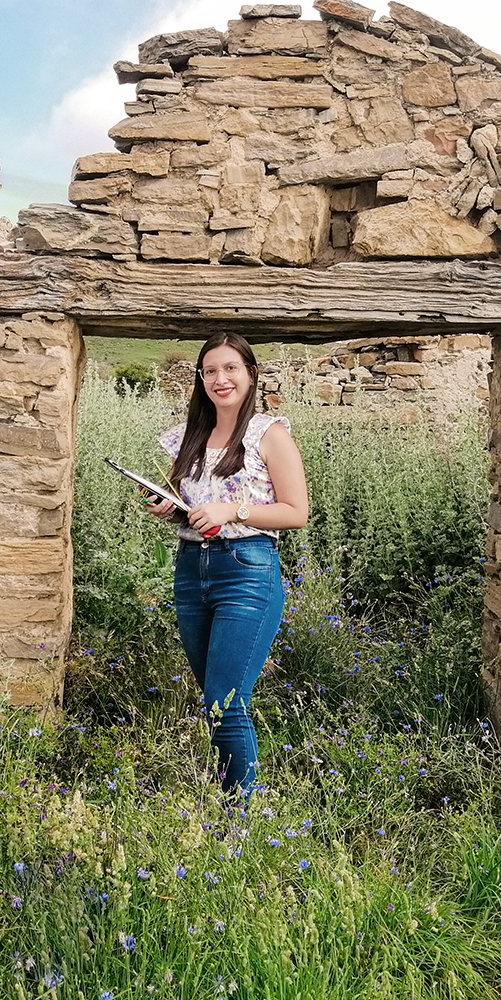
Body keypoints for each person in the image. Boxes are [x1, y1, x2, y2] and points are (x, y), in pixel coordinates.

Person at [141, 331, 308, 799]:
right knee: (214, 701)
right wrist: (171, 509)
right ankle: (230, 800)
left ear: (250, 374)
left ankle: (238, 820)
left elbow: (296, 512)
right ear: (201, 378)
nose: (221, 379)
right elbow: (195, 511)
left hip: (247, 569)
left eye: (231, 368)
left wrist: (231, 511)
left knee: (225, 701)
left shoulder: (268, 434)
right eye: (210, 370)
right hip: (192, 569)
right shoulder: (189, 438)